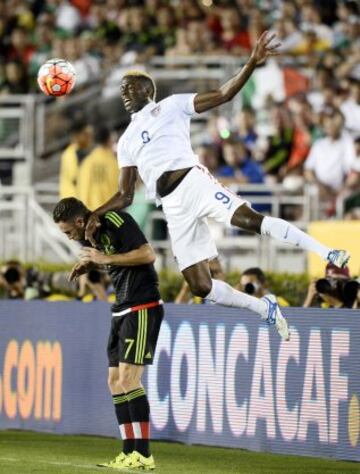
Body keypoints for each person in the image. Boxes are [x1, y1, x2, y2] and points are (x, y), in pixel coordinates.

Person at [85, 31, 350, 343]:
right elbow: (125, 195)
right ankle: (263, 308)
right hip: (172, 205)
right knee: (200, 286)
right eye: (122, 89)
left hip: (194, 182)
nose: (124, 93)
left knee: (252, 221)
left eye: (130, 87)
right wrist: (95, 213)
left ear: (147, 89)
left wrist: (251, 62)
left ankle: (327, 251)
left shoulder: (170, 106)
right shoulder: (126, 141)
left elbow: (224, 94)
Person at [53, 197, 163, 471]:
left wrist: (104, 258)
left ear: (79, 221)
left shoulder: (116, 220)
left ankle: (144, 454)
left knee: (129, 378)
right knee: (114, 381)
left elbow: (148, 254)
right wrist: (89, 265)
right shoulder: (88, 235)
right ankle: (128, 452)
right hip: (121, 308)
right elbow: (105, 258)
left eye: (68, 232)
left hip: (142, 304)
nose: (69, 238)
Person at [77, 127, 119, 210]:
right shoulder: (113, 162)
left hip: (91, 212)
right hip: (109, 211)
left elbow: (83, 188)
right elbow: (118, 188)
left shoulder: (88, 162)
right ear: (109, 140)